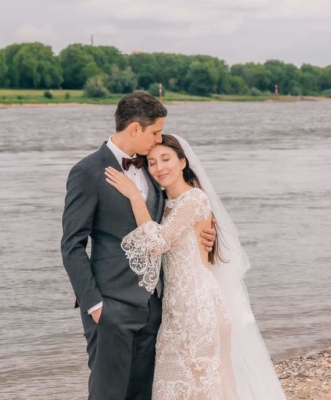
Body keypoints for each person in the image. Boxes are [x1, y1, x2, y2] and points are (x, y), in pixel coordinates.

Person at [105, 134, 287, 399]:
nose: (159, 168)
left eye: (166, 159)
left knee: (205, 389)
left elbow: (157, 243)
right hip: (175, 311)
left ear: (182, 162)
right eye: (152, 163)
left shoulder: (194, 200)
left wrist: (134, 196)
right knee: (175, 388)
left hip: (201, 310)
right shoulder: (164, 207)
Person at [61, 92, 216, 400]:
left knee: (143, 394)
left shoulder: (152, 167)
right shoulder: (87, 172)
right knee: (108, 394)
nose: (158, 138)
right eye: (155, 132)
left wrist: (208, 235)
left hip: (154, 308)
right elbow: (72, 245)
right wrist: (95, 305)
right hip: (111, 307)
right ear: (135, 129)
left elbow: (178, 212)